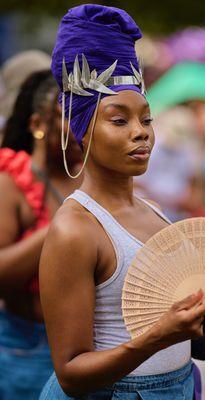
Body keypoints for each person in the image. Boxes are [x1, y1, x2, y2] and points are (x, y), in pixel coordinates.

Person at [39, 5, 205, 399]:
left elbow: (179, 340)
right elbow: (71, 373)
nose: (140, 133)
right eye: (119, 120)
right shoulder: (76, 229)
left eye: (146, 119)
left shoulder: (154, 213)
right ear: (83, 131)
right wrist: (157, 337)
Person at [0, 70, 81, 399]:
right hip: (26, 349)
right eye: (68, 118)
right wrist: (62, 226)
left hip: (87, 350)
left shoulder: (96, 179)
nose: (80, 130)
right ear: (37, 125)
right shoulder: (11, 182)